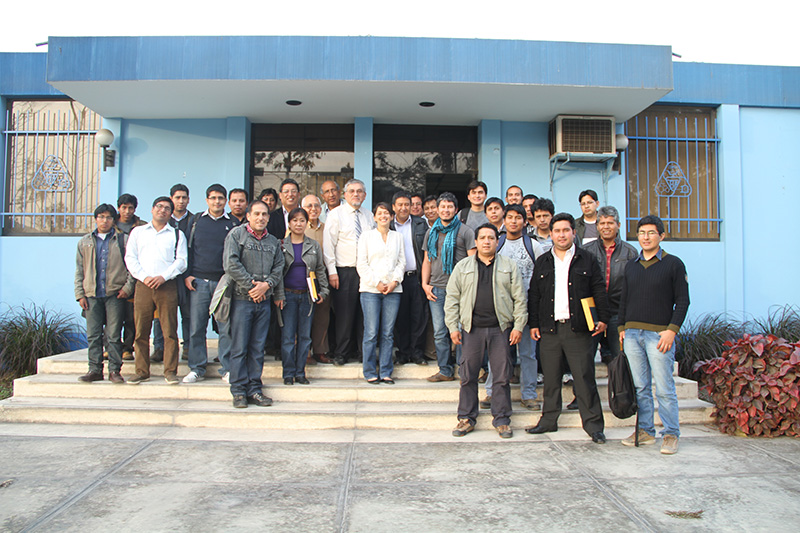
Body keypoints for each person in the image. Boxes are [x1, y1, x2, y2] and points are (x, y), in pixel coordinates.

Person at [525, 213, 609, 444]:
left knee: (584, 378)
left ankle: (593, 426)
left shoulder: (587, 259)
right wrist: (534, 324)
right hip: (550, 330)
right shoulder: (543, 261)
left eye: (566, 230)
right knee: (551, 379)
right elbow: (535, 294)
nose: (561, 235)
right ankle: (548, 421)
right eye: (557, 231)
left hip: (578, 329)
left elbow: (599, 289)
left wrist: (602, 318)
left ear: (573, 232)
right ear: (550, 234)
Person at [446, 224, 527, 439]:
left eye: (491, 237)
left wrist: (518, 326)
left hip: (500, 329)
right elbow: (452, 298)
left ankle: (501, 419)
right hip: (471, 330)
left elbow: (520, 298)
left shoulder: (509, 266)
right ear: (476, 241)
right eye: (482, 237)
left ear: (497, 241)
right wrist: (453, 327)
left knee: (501, 376)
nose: (486, 241)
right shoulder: (463, 266)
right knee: (468, 375)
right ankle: (466, 418)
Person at [618, 215, 690, 455]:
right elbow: (623, 300)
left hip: (659, 335)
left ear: (661, 235)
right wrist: (621, 328)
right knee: (640, 387)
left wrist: (671, 330)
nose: (645, 237)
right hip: (632, 335)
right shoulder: (632, 265)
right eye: (641, 233)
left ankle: (671, 434)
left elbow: (682, 301)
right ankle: (645, 430)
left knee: (664, 388)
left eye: (651, 233)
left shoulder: (673, 264)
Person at [223, 200, 284, 408]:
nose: (261, 218)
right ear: (248, 216)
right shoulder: (236, 235)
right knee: (240, 347)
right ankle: (239, 390)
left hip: (264, 302)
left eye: (264, 214)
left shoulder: (273, 242)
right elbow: (231, 264)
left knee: (258, 348)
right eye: (256, 214)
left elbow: (279, 268)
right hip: (242, 300)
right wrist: (252, 286)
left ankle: (255, 389)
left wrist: (266, 286)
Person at [483, 205, 544, 410]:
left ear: (525, 221)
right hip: (500, 310)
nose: (514, 221)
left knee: (528, 353)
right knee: (498, 353)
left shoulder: (533, 245)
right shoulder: (497, 244)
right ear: (504, 220)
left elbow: (541, 278)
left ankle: (529, 394)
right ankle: (492, 392)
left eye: (518, 218)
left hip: (526, 308)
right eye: (510, 217)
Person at [124, 197, 188, 385]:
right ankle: (141, 371)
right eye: (159, 207)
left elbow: (182, 261)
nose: (163, 211)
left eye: (167, 208)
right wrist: (144, 277)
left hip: (166, 285)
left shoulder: (177, 234)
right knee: (141, 330)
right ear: (152, 210)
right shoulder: (138, 232)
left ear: (170, 213)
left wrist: (163, 277)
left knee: (169, 330)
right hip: (143, 285)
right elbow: (130, 258)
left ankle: (170, 371)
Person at [181, 184, 236, 384]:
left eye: (221, 198)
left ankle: (227, 368)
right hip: (199, 283)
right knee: (197, 327)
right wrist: (187, 275)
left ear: (226, 201)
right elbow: (185, 249)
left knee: (225, 327)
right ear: (207, 200)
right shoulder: (196, 221)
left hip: (224, 283)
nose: (217, 202)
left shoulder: (232, 223)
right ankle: (197, 368)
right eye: (213, 198)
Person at [75, 204, 135, 384]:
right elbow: (79, 270)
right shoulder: (85, 242)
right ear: (95, 219)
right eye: (101, 217)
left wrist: (127, 288)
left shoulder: (122, 240)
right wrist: (80, 294)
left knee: (114, 334)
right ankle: (94, 369)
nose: (105, 221)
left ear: (113, 220)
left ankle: (115, 370)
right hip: (92, 295)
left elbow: (132, 268)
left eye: (109, 217)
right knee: (93, 335)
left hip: (115, 295)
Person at [421, 192, 476, 382]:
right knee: (439, 331)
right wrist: (424, 284)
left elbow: (472, 261)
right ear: (437, 210)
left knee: (461, 330)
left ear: (456, 209)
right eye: (442, 207)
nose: (445, 210)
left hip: (460, 289)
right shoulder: (431, 232)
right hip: (436, 288)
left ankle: (464, 369)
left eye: (449, 207)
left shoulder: (466, 231)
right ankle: (445, 370)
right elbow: (427, 261)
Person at [323, 178, 375, 366]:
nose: (356, 194)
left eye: (360, 191)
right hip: (344, 271)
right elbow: (329, 245)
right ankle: (342, 353)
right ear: (344, 195)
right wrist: (332, 271)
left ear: (365, 195)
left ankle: (363, 352)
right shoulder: (336, 215)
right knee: (344, 314)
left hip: (366, 272)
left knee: (364, 314)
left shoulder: (369, 216)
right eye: (352, 191)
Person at [279, 207, 329, 385]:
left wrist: (323, 291)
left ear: (306, 223)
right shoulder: (281, 246)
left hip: (308, 296)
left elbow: (320, 270)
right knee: (288, 337)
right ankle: (288, 373)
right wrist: (278, 295)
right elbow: (276, 273)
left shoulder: (313, 245)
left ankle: (300, 372)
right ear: (289, 223)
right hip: (287, 296)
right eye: (295, 220)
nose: (298, 224)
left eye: (302, 220)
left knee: (305, 336)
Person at [357, 203, 405, 384]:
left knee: (388, 333)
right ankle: (369, 371)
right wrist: (377, 283)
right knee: (371, 332)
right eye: (380, 213)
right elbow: (361, 264)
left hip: (393, 290)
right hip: (370, 290)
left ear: (391, 216)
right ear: (374, 217)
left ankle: (385, 371)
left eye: (386, 213)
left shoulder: (397, 237)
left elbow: (402, 262)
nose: (383, 216)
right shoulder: (366, 237)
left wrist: (394, 282)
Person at [584, 206, 638, 364]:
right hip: (593, 313)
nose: (606, 226)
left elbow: (634, 287)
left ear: (618, 225)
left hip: (618, 313)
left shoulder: (629, 252)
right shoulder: (587, 251)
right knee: (585, 361)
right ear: (597, 226)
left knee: (620, 360)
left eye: (610, 223)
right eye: (602, 223)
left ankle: (621, 389)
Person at [390, 191, 430, 366]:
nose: (404, 208)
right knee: (400, 317)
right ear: (394, 207)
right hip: (396, 279)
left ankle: (417, 352)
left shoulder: (421, 224)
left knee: (419, 315)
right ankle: (403, 352)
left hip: (417, 276)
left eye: (407, 204)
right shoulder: (388, 226)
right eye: (400, 204)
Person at [302, 194, 333, 364]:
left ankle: (320, 350)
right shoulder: (297, 227)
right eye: (309, 206)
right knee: (304, 315)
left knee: (322, 316)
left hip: (322, 278)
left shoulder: (327, 228)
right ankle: (304, 351)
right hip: (302, 278)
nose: (313, 209)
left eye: (316, 206)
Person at [115, 193, 146, 361]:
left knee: (131, 317)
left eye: (130, 208)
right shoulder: (110, 225)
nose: (127, 211)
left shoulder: (142, 227)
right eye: (124, 207)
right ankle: (111, 347)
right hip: (114, 276)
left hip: (135, 276)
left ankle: (128, 348)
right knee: (112, 317)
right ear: (119, 208)